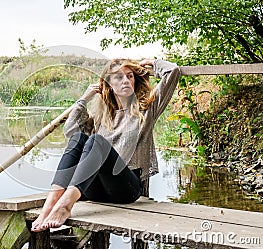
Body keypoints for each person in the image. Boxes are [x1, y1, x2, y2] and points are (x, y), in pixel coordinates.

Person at [31, 58, 180, 232]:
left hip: (126, 189)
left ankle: (65, 205)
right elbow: (70, 132)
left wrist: (152, 62)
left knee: (97, 141)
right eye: (118, 77)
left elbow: (173, 72)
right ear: (108, 85)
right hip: (94, 190)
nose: (126, 80)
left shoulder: (145, 110)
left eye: (130, 76)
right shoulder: (102, 116)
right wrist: (84, 99)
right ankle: (50, 205)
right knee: (80, 138)